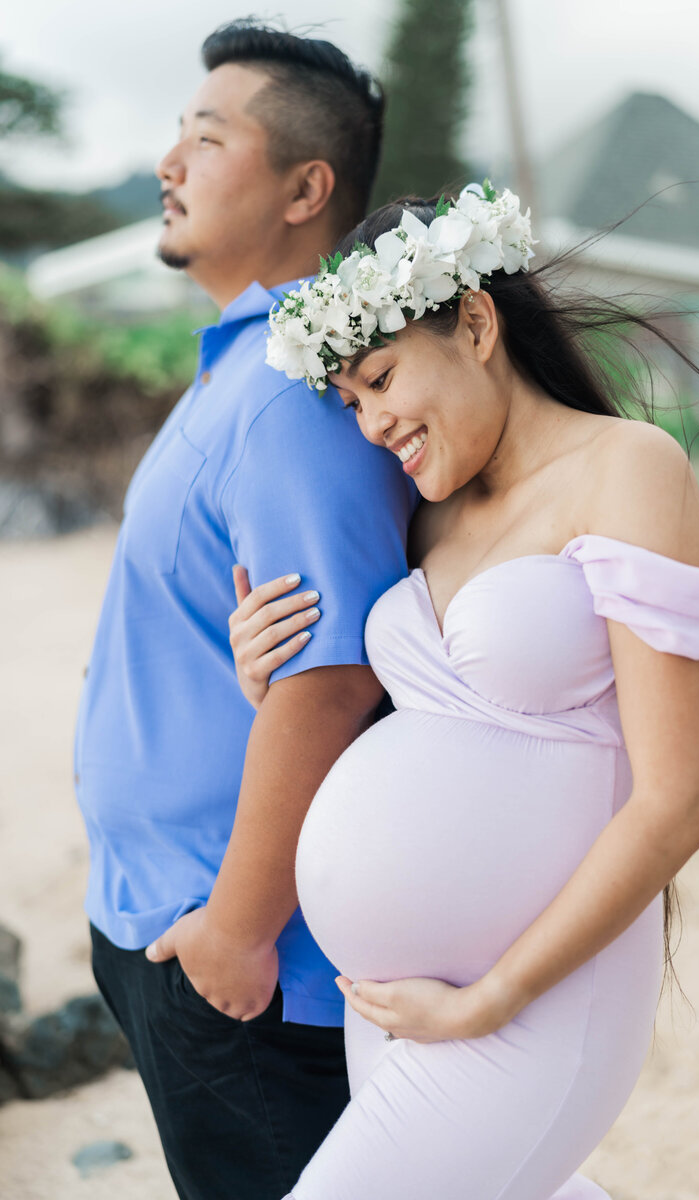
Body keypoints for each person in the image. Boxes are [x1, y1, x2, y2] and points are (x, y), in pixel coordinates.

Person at [226, 183, 699, 1199]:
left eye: (379, 378)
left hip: (528, 1005)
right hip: (400, 1004)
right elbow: (429, 746)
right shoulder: (431, 518)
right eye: (351, 403)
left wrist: (493, 997)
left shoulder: (626, 469)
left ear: (472, 321)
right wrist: (269, 682)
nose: (373, 423)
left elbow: (680, 799)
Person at [74, 20, 417, 1200]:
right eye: (176, 132)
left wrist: (234, 928)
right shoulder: (237, 365)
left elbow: (330, 674)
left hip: (245, 961)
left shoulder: (294, 390)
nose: (170, 162)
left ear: (304, 188)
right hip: (173, 924)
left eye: (206, 137)